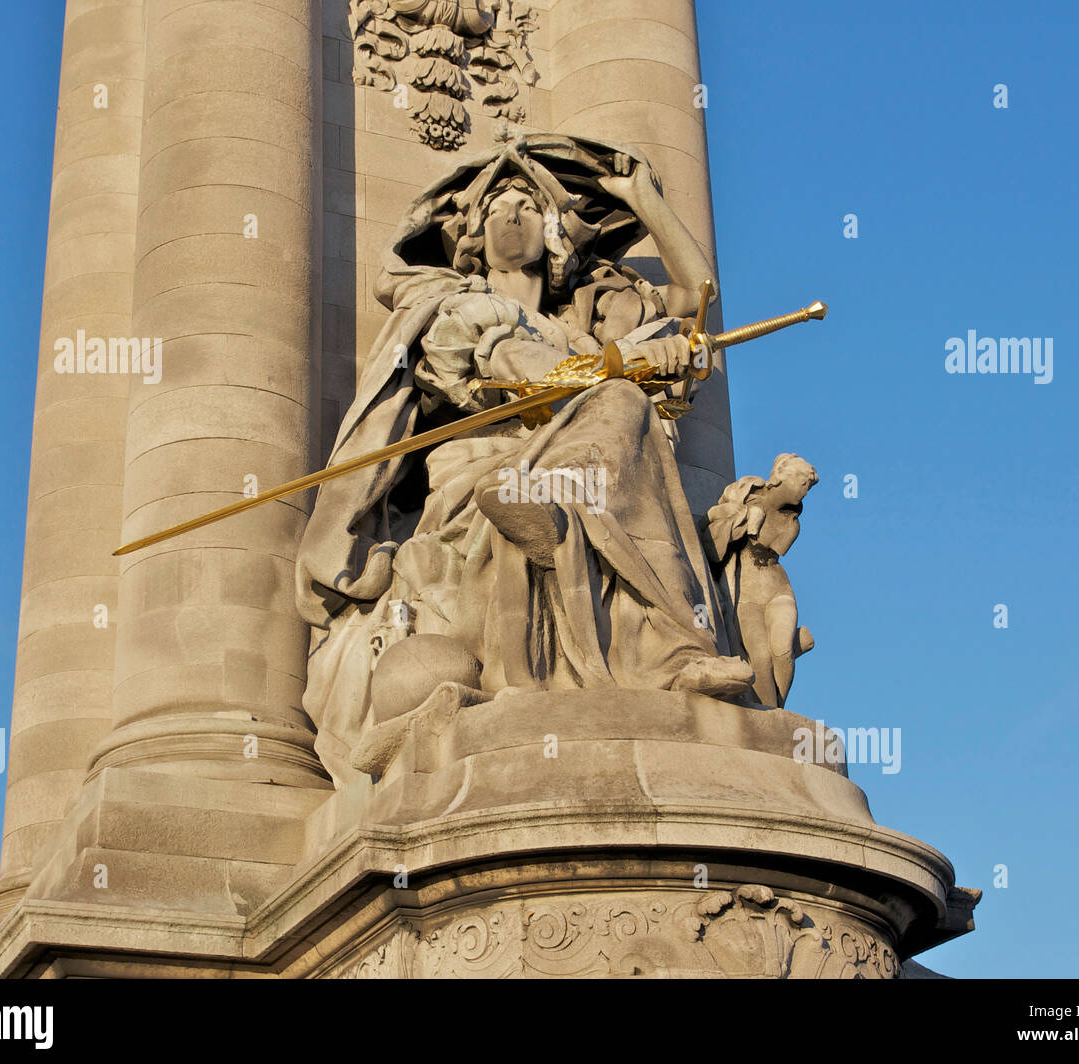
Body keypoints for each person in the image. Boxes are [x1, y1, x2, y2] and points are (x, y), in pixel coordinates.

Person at [295, 135, 753, 784]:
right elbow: (512, 365)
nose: (513, 217)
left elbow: (697, 299)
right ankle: (655, 637)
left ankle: (670, 649)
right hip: (475, 488)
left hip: (577, 468)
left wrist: (646, 202)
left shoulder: (589, 317)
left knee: (626, 416)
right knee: (621, 406)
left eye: (529, 208)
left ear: (555, 234)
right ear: (474, 236)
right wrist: (620, 365)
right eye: (498, 209)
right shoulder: (454, 309)